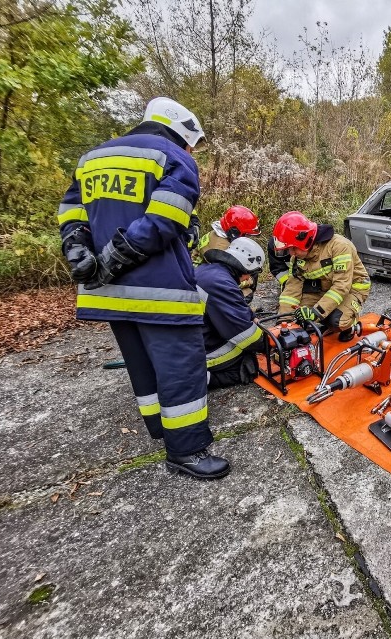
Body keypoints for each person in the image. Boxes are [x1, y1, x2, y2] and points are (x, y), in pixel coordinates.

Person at [57, 96, 229, 480]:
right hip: (159, 291)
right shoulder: (172, 155)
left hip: (107, 293)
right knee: (181, 367)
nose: (191, 150)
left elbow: (72, 214)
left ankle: (159, 428)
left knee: (141, 363)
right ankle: (186, 450)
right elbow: (164, 218)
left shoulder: (92, 158)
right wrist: (116, 256)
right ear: (184, 131)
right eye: (192, 143)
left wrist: (79, 251)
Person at [274, 211, 371, 341]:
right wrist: (284, 320)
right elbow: (292, 290)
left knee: (335, 320)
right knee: (297, 315)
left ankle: (350, 327)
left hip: (352, 288)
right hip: (325, 289)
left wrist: (316, 313)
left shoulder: (339, 246)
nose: (291, 253)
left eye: (293, 248)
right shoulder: (297, 258)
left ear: (305, 241)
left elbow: (341, 286)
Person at [195, 237, 267, 389]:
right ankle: (201, 379)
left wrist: (251, 317)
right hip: (199, 351)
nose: (248, 278)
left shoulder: (210, 272)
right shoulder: (220, 284)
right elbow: (247, 338)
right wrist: (269, 344)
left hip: (192, 336)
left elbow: (234, 307)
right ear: (245, 268)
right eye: (250, 273)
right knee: (248, 366)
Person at [194, 205, 263, 301]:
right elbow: (223, 277)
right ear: (235, 231)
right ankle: (234, 311)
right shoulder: (220, 247)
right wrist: (249, 281)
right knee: (246, 291)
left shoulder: (224, 235)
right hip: (198, 282)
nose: (248, 238)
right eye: (246, 235)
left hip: (207, 274)